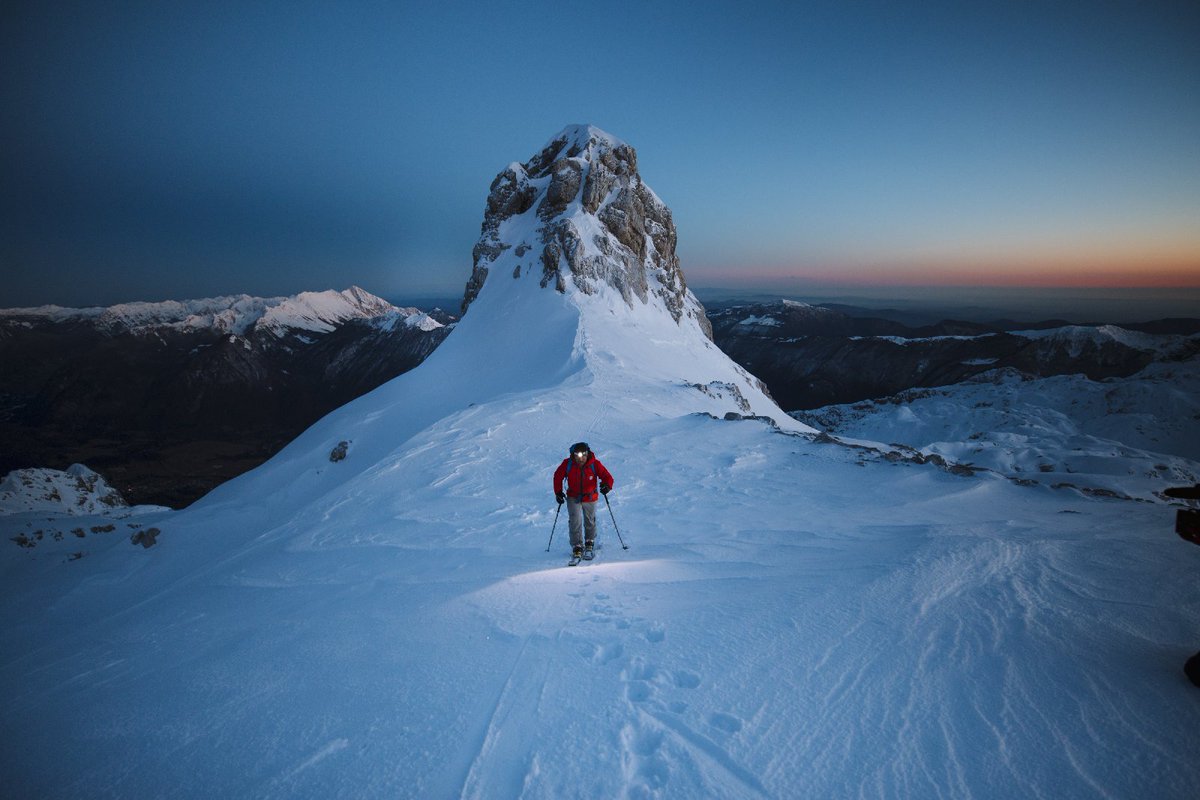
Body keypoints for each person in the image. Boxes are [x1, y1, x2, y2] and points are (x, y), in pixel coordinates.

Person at [553, 442, 614, 559]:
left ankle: (589, 541)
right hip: (573, 496)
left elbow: (607, 477)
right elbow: (558, 476)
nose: (580, 459)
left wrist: (607, 485)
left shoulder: (595, 464)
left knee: (589, 520)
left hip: (590, 497)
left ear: (587, 455)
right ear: (574, 455)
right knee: (575, 521)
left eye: (583, 456)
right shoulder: (568, 464)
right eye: (577, 456)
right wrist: (558, 492)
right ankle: (577, 545)